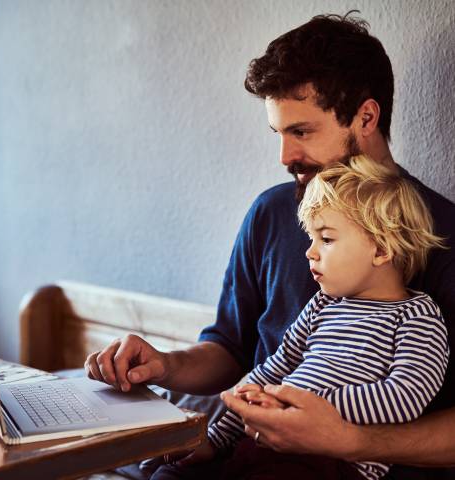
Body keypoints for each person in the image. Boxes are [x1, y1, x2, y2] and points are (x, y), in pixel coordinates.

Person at [85, 12, 455, 479]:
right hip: (242, 448)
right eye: (278, 134)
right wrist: (163, 366)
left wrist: (349, 437)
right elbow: (231, 350)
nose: (285, 158)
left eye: (301, 132)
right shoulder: (273, 211)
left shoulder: (438, 235)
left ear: (366, 117)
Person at [178, 155, 449, 480]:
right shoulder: (322, 305)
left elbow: (406, 396)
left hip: (332, 463)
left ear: (380, 250)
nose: (310, 251)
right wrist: (231, 417)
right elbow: (277, 366)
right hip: (262, 445)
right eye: (311, 238)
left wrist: (312, 406)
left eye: (327, 239)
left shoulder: (417, 316)